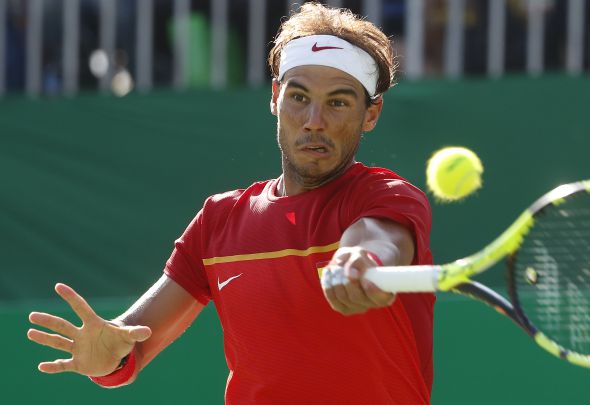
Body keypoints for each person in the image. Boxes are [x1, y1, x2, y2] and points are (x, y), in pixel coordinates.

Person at [26, 3, 435, 404]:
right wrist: (108, 355)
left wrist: (361, 258)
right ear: (275, 97)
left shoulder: (385, 196)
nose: (314, 120)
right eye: (299, 97)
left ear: (371, 114)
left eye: (338, 102)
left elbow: (379, 238)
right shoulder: (218, 220)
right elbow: (132, 341)